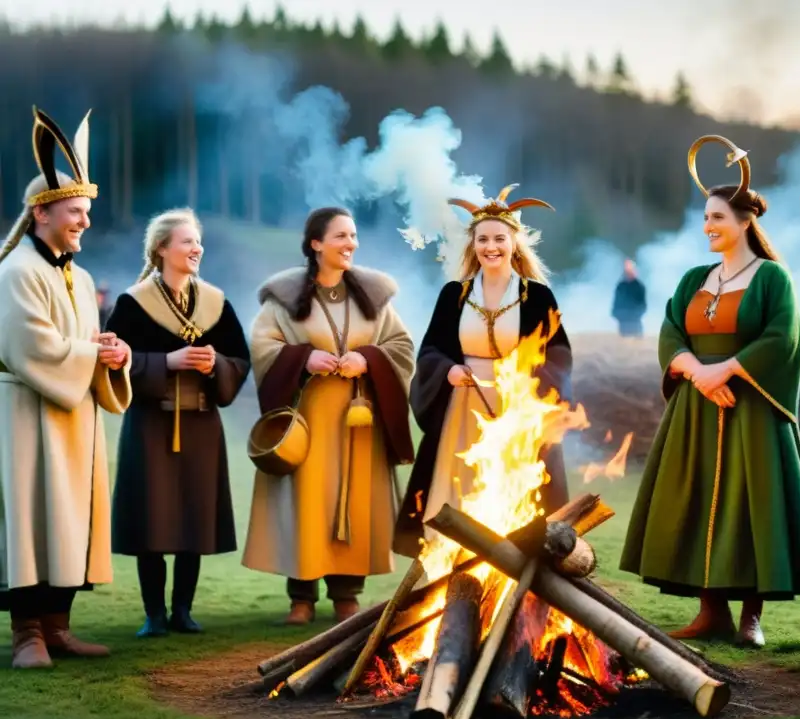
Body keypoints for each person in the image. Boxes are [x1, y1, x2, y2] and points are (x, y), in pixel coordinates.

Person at [619, 135, 800, 648]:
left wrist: (728, 370)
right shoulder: (695, 278)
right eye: (706, 218)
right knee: (696, 501)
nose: (708, 227)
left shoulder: (772, 278)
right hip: (696, 408)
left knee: (752, 506)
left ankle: (750, 619)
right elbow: (672, 329)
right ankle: (709, 612)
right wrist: (694, 370)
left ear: (744, 223)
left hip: (750, 408)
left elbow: (783, 338)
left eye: (717, 218)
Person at [0, 107, 132, 668]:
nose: (85, 222)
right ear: (42, 213)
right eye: (76, 212)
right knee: (31, 519)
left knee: (68, 521)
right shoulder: (15, 272)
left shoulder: (73, 273)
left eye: (85, 212)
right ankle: (26, 633)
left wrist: (114, 355)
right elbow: (30, 347)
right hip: (27, 413)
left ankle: (57, 627)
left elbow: (85, 341)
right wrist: (90, 355)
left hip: (73, 413)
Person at [243, 207, 415, 625]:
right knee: (306, 501)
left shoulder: (372, 299)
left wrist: (368, 359)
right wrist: (303, 358)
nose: (350, 243)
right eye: (340, 236)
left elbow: (402, 345)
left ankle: (346, 595)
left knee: (355, 501)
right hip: (308, 422)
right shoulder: (284, 299)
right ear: (316, 244)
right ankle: (301, 596)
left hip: (360, 423)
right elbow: (263, 345)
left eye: (353, 235)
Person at [395, 183, 572, 556]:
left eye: (499, 239)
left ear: (514, 243)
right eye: (482, 239)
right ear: (472, 245)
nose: (491, 247)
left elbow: (558, 354)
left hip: (517, 408)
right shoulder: (454, 295)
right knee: (460, 487)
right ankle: (451, 560)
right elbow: (430, 350)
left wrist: (527, 382)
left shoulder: (537, 296)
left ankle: (515, 562)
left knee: (516, 491)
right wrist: (447, 371)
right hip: (463, 405)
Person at [105, 208, 251, 638]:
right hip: (151, 424)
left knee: (194, 516)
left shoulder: (216, 303)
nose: (196, 248)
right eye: (186, 241)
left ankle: (183, 610)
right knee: (152, 518)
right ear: (161, 249)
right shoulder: (133, 303)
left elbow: (239, 360)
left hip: (202, 425)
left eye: (197, 241)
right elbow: (112, 363)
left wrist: (214, 364)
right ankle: (154, 613)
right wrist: (166, 362)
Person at [611, 258, 647, 337]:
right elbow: (616, 302)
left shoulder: (639, 286)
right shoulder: (620, 286)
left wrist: (636, 314)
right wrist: (616, 313)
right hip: (623, 321)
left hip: (635, 321)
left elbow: (642, 304)